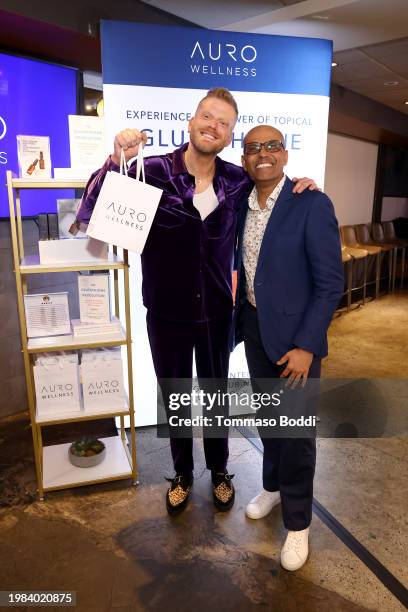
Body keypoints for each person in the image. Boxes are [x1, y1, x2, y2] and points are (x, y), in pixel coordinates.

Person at [73, 88, 317, 516]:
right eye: (207, 116)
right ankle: (183, 473)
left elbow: (272, 192)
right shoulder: (149, 171)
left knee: (216, 395)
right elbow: (94, 202)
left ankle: (220, 471)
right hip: (165, 311)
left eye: (223, 122)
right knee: (177, 397)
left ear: (229, 137)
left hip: (218, 312)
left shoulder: (236, 181)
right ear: (191, 121)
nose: (213, 126)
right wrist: (114, 160)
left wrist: (304, 185)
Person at [232, 124, 343, 570]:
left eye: (272, 146)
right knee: (268, 421)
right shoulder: (240, 203)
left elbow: (330, 283)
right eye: (254, 148)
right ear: (244, 159)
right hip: (256, 331)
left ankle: (298, 524)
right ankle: (273, 488)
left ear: (285, 154)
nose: (263, 154)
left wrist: (307, 346)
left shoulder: (310, 203)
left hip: (295, 343)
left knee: (296, 434)